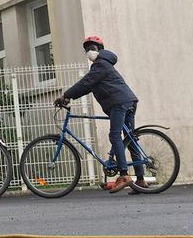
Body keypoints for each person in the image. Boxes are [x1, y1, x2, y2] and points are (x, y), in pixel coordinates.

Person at [55, 36, 146, 193]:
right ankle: (141, 180)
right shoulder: (101, 67)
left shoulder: (101, 65)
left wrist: (65, 95)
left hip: (119, 103)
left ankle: (124, 175)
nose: (89, 51)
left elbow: (85, 82)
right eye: (87, 49)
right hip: (127, 101)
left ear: (100, 49)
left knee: (115, 136)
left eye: (93, 47)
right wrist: (70, 97)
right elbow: (86, 87)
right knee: (130, 140)